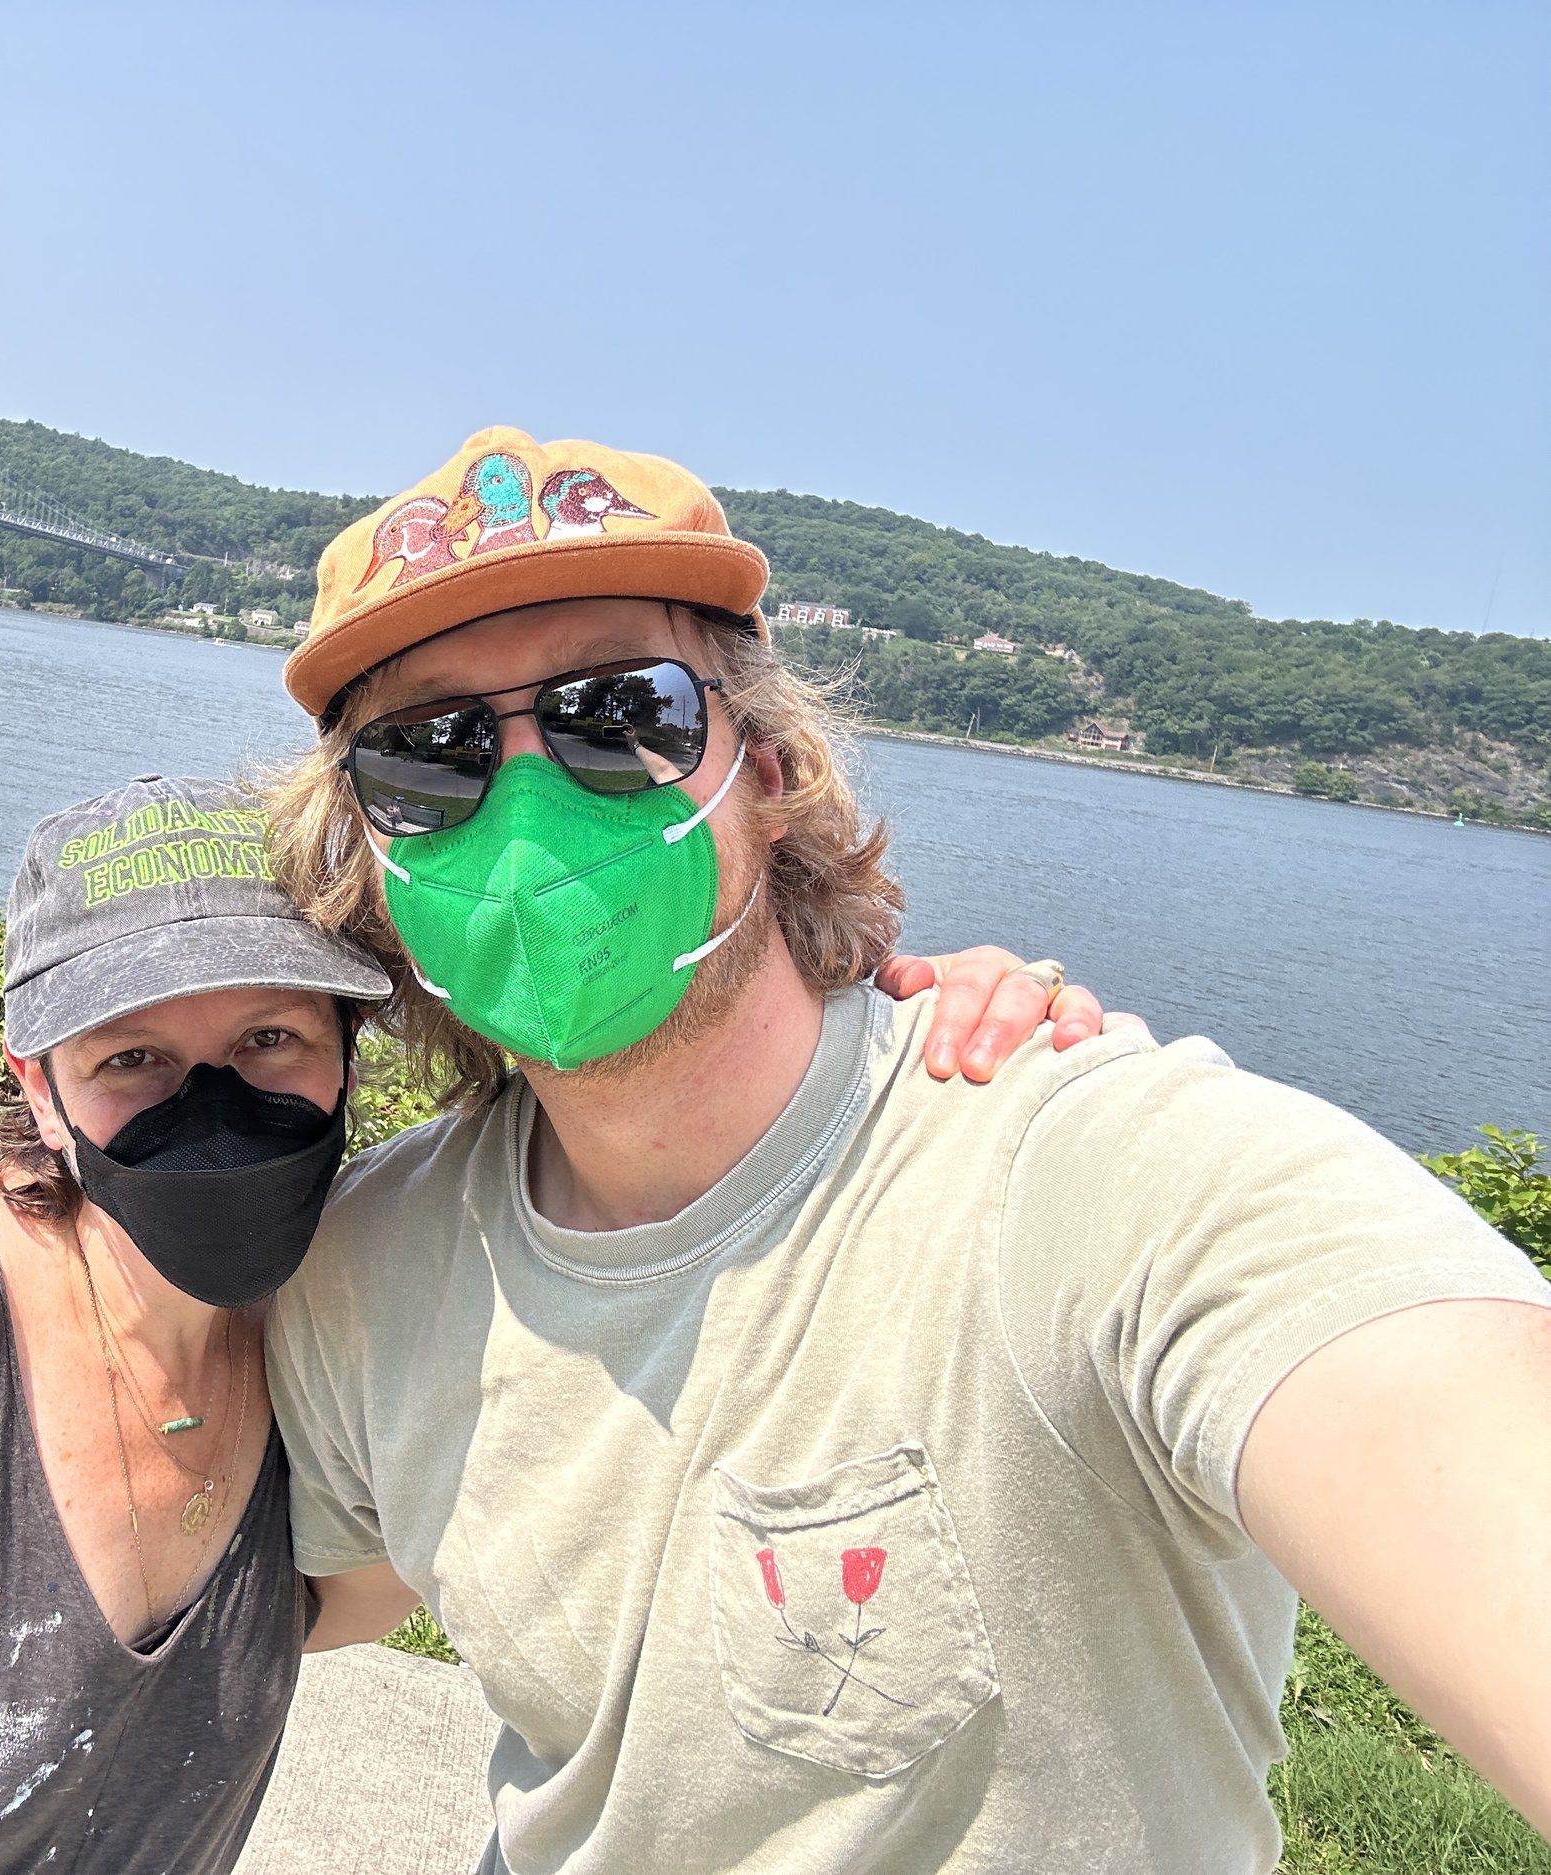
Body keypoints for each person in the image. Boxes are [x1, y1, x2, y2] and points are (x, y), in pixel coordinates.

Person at [0, 768, 1100, 1875]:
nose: (211, 1104)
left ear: (350, 1050)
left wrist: (898, 1021)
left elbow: (635, 1203)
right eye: (134, 1061)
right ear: (36, 1081)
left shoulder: (343, 1327)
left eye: (268, 1042)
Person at [260, 427, 1551, 1871]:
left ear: (768, 770)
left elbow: (1418, 1395)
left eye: (617, 713)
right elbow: (307, 1590)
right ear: (367, 844)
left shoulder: (1090, 1174)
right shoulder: (377, 1263)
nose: (526, 800)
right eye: (426, 752)